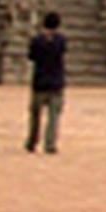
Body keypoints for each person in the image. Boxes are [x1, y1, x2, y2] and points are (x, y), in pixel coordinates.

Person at [25, 9, 68, 154]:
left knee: (35, 115)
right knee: (53, 116)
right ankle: (50, 143)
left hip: (40, 81)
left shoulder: (37, 40)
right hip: (56, 81)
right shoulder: (61, 40)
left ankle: (32, 140)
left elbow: (31, 56)